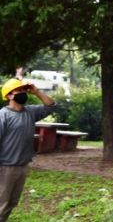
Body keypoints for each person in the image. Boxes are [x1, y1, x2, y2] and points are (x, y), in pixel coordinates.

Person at [1, 78, 56, 222]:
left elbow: (51, 106)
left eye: (24, 90)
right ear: (9, 96)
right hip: (5, 167)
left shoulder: (30, 112)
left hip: (22, 165)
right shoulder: (3, 115)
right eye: (19, 90)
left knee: (11, 203)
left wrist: (37, 92)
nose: (23, 93)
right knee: (1, 204)